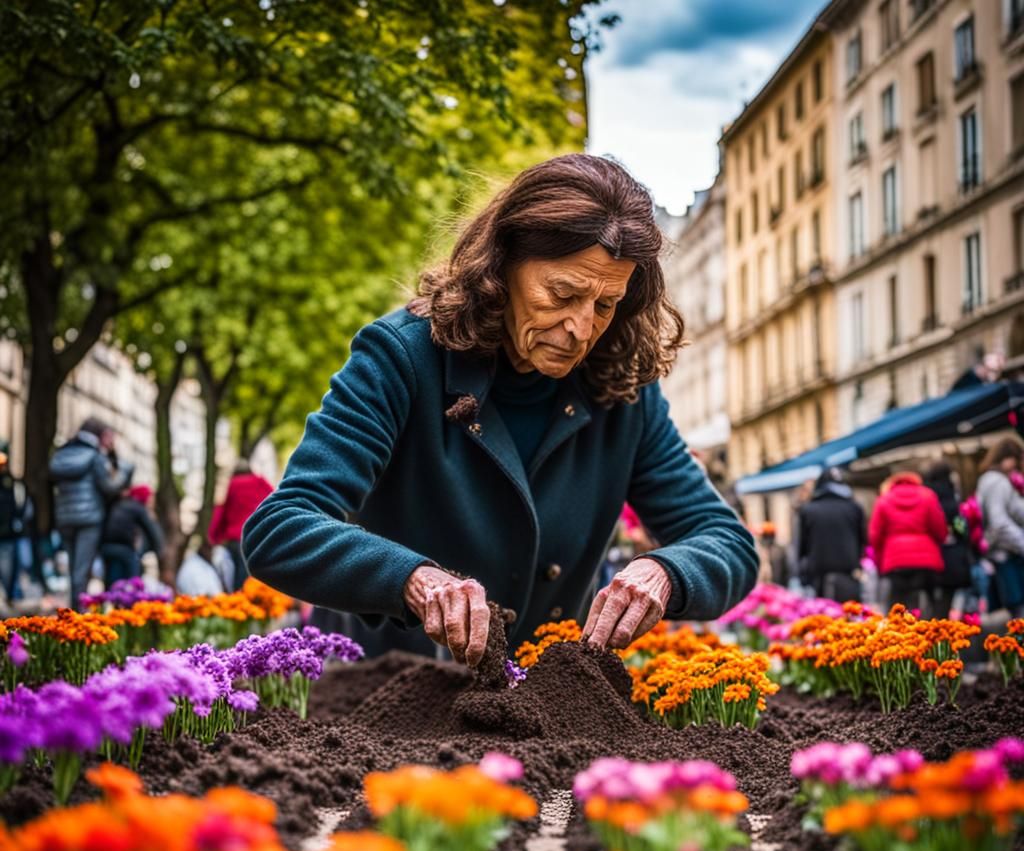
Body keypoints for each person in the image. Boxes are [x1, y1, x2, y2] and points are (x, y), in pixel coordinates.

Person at [243, 154, 758, 663]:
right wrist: (415, 581)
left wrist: (666, 573)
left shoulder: (623, 391)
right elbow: (280, 528)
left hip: (543, 708)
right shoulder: (400, 357)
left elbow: (727, 543)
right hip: (382, 694)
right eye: (562, 294)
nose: (581, 328)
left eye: (605, 305)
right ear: (503, 266)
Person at [49, 417, 133, 609]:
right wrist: (125, 473)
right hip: (89, 518)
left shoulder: (62, 453)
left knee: (73, 568)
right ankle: (79, 615)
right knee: (82, 569)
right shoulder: (95, 456)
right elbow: (109, 487)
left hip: (65, 517)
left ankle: (73, 611)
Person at [869, 470, 947, 616]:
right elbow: (940, 529)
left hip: (895, 561)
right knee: (928, 606)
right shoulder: (927, 496)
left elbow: (875, 536)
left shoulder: (884, 499)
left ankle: (899, 635)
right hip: (925, 561)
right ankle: (928, 632)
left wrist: (881, 559)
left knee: (898, 606)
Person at [797, 468, 866, 602]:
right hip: (848, 573)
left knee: (822, 618)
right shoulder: (854, 508)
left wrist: (802, 575)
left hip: (818, 574)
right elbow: (862, 540)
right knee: (849, 617)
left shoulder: (808, 510)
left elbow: (801, 546)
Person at [975, 437, 1024, 617]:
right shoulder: (998, 481)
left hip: (998, 554)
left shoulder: (987, 480)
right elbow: (999, 522)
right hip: (1006, 555)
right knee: (1018, 611)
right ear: (1009, 457)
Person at [209, 460, 273, 590]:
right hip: (259, 537)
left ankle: (239, 604)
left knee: (240, 581)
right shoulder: (261, 482)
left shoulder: (234, 484)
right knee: (260, 579)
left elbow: (223, 512)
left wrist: (214, 537)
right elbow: (274, 503)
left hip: (237, 540)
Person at [922, 460, 972, 619]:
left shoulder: (925, 496)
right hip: (951, 558)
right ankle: (941, 639)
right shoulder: (951, 499)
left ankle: (930, 636)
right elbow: (961, 528)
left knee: (931, 604)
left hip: (928, 558)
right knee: (945, 603)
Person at [100, 484, 164, 586]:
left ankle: (111, 599)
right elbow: (152, 530)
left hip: (106, 548)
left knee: (112, 582)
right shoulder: (138, 508)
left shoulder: (119, 504)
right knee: (133, 583)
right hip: (125, 549)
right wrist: (159, 551)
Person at [0, 443, 26, 605]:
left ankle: (11, 594)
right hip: (7, 531)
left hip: (8, 532)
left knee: (9, 567)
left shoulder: (11, 483)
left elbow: (20, 505)